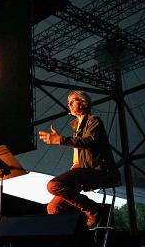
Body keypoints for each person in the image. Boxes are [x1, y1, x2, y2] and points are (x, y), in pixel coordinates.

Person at [38, 90, 120, 228]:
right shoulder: (77, 125)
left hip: (96, 171)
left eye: (72, 101)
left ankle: (92, 209)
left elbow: (88, 141)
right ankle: (68, 238)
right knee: (52, 208)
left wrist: (60, 140)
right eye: (68, 102)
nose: (69, 104)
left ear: (84, 103)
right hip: (80, 170)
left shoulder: (94, 121)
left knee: (53, 185)